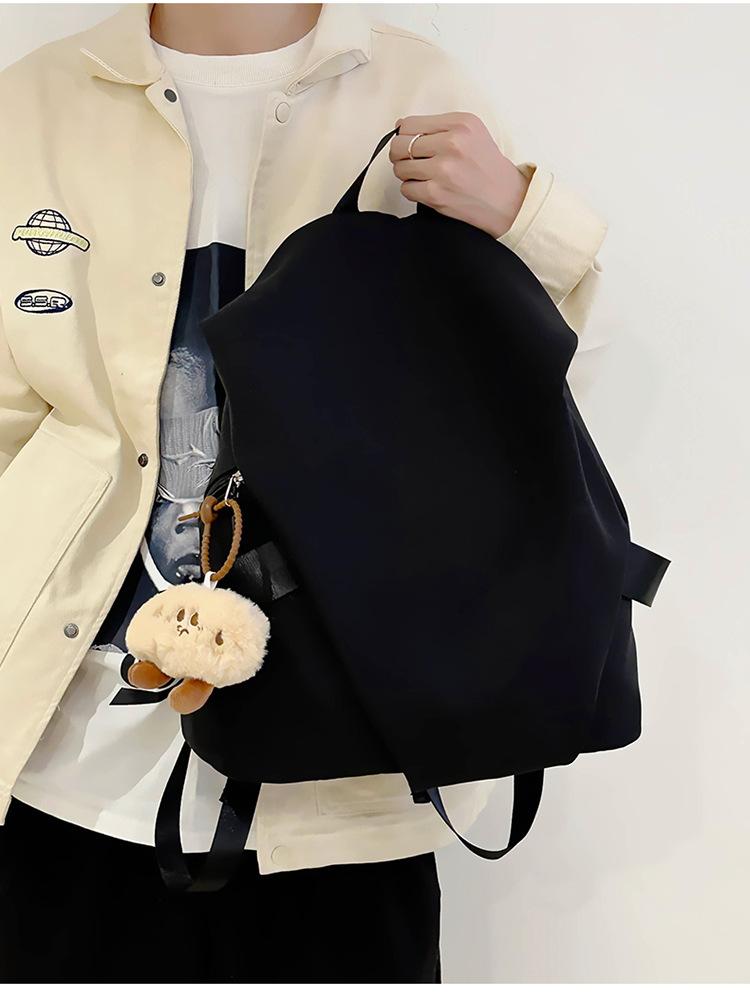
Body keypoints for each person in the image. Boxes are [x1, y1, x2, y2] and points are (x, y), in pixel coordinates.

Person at [0, 2, 608, 984]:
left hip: (345, 780)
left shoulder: (414, 87)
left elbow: (525, 400)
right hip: (63, 763)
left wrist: (525, 219)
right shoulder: (35, 101)